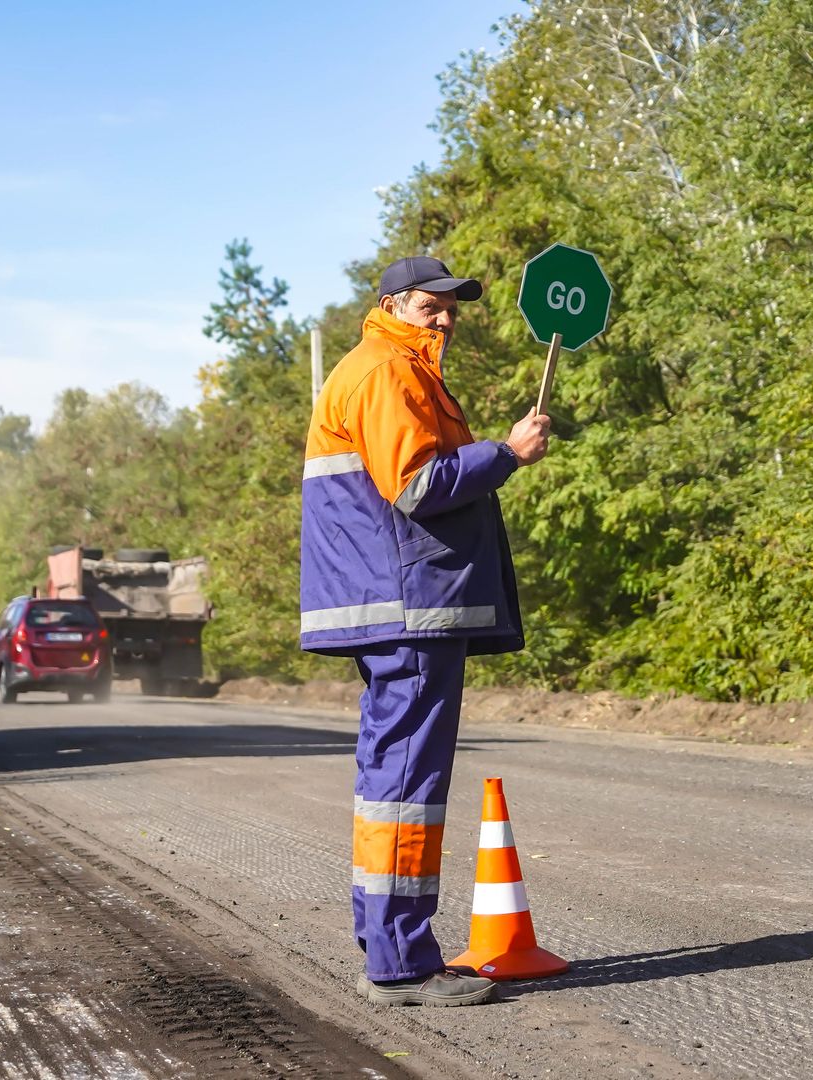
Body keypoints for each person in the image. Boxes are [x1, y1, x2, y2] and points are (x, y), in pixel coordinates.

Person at [299, 255, 551, 1007]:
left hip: (398, 606)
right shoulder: (385, 371)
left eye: (451, 307)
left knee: (392, 785)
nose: (445, 317)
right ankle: (403, 964)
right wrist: (507, 453)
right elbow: (418, 487)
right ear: (391, 305)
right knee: (407, 785)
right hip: (407, 608)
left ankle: (387, 945)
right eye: (430, 306)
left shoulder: (391, 369)